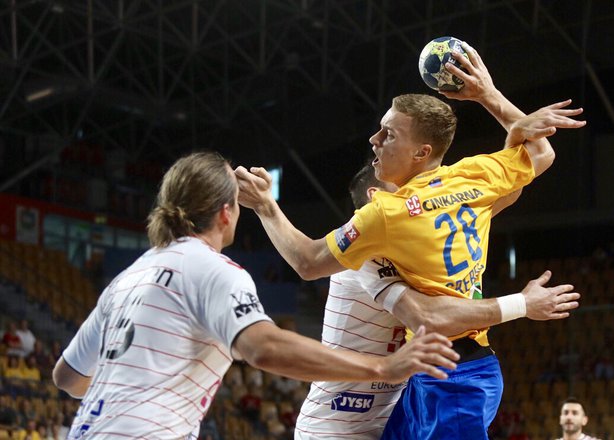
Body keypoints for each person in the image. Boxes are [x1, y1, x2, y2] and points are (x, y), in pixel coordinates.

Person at [236, 42, 586, 440]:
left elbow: (307, 261)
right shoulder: (474, 176)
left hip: (456, 371)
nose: (374, 139)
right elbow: (540, 153)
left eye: (388, 134)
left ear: (421, 151)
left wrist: (265, 207)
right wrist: (488, 94)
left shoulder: (387, 213)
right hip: (429, 371)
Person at [51, 152, 458, 439]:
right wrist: (383, 369)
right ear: (226, 212)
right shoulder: (213, 269)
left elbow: (67, 377)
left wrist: (132, 386)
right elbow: (263, 348)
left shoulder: (126, 278)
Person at [295, 163, 580, 439]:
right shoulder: (364, 255)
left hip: (403, 401)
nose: (420, 193)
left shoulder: (424, 237)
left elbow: (512, 186)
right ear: (376, 199)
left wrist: (513, 127)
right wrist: (522, 304)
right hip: (335, 423)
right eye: (406, 187)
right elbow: (426, 316)